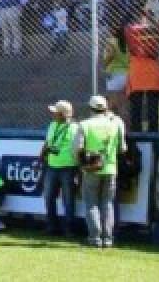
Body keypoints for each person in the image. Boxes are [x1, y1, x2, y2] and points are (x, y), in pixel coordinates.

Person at [77, 94, 127, 248]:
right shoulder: (116, 124)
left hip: (91, 169)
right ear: (105, 108)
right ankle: (108, 238)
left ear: (90, 108)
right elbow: (123, 148)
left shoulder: (84, 125)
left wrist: (82, 163)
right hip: (111, 168)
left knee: (91, 204)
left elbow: (77, 148)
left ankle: (95, 237)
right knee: (107, 204)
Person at [40, 100, 78, 237]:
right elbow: (48, 142)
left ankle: (69, 229)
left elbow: (78, 147)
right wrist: (41, 154)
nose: (53, 114)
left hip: (68, 167)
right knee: (48, 197)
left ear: (63, 114)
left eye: (55, 112)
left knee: (68, 199)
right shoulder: (52, 125)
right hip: (51, 166)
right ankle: (52, 226)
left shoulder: (74, 128)